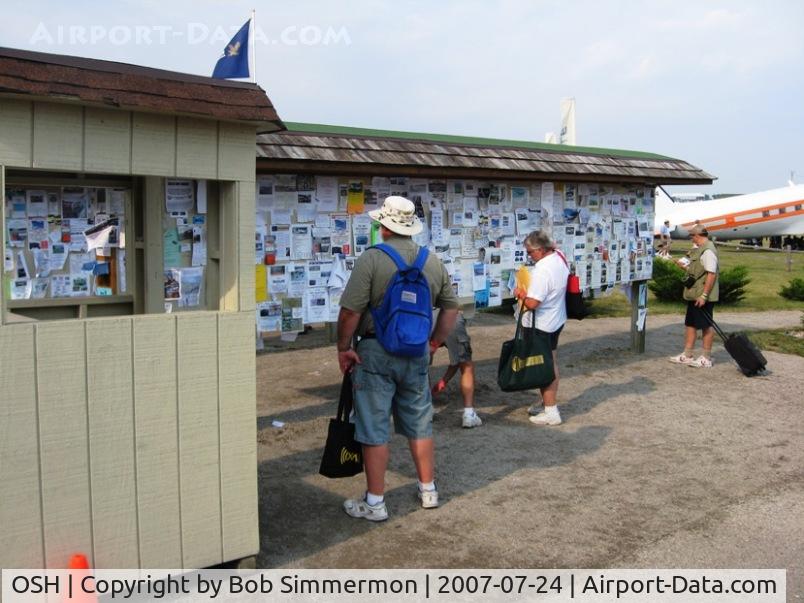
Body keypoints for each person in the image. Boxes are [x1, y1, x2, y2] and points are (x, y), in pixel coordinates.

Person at [336, 196, 459, 522]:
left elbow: (350, 310)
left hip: (375, 353)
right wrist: (434, 343)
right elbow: (451, 308)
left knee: (374, 427)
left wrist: (343, 347)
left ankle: (375, 502)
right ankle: (428, 490)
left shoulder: (372, 259)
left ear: (383, 226)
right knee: (420, 422)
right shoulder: (432, 262)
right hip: (417, 352)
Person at [512, 230, 569, 426]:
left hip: (542, 324)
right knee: (549, 361)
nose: (529, 256)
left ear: (542, 249)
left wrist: (520, 293)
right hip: (556, 319)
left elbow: (532, 303)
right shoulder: (559, 256)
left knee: (545, 367)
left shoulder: (543, 270)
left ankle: (551, 411)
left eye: (530, 252)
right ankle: (547, 403)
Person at [669, 224, 719, 368]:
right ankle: (687, 354)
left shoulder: (708, 251)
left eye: (692, 236)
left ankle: (706, 357)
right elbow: (698, 271)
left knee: (706, 326)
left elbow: (711, 274)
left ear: (698, 236)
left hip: (702, 295)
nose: (691, 239)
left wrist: (704, 295)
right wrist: (683, 267)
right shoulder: (699, 249)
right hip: (694, 293)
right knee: (690, 323)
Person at [430, 311, 481, 428]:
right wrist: (444, 381)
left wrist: (443, 381)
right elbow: (458, 361)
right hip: (451, 315)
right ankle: (469, 414)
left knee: (421, 366)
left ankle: (426, 409)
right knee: (466, 365)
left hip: (425, 316)